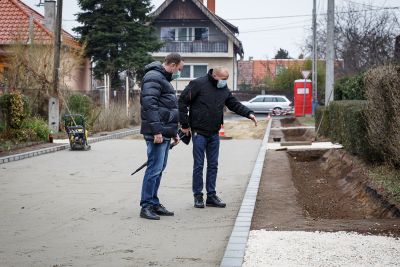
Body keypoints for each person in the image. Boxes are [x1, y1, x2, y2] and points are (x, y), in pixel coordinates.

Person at [178, 66, 257, 208]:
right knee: (199, 165)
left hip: (214, 132)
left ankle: (211, 196)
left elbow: (234, 104)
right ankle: (198, 196)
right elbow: (182, 102)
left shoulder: (223, 89)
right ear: (215, 76)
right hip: (199, 132)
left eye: (226, 79)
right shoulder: (198, 84)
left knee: (213, 165)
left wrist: (249, 114)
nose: (225, 82)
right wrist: (184, 125)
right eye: (224, 79)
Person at [139, 53, 184, 220]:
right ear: (172, 65)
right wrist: (157, 131)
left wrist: (173, 133)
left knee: (159, 169)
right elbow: (149, 106)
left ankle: (154, 202)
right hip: (156, 133)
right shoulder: (154, 77)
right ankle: (146, 206)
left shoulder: (162, 78)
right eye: (179, 69)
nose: (179, 72)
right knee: (153, 169)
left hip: (164, 132)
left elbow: (167, 107)